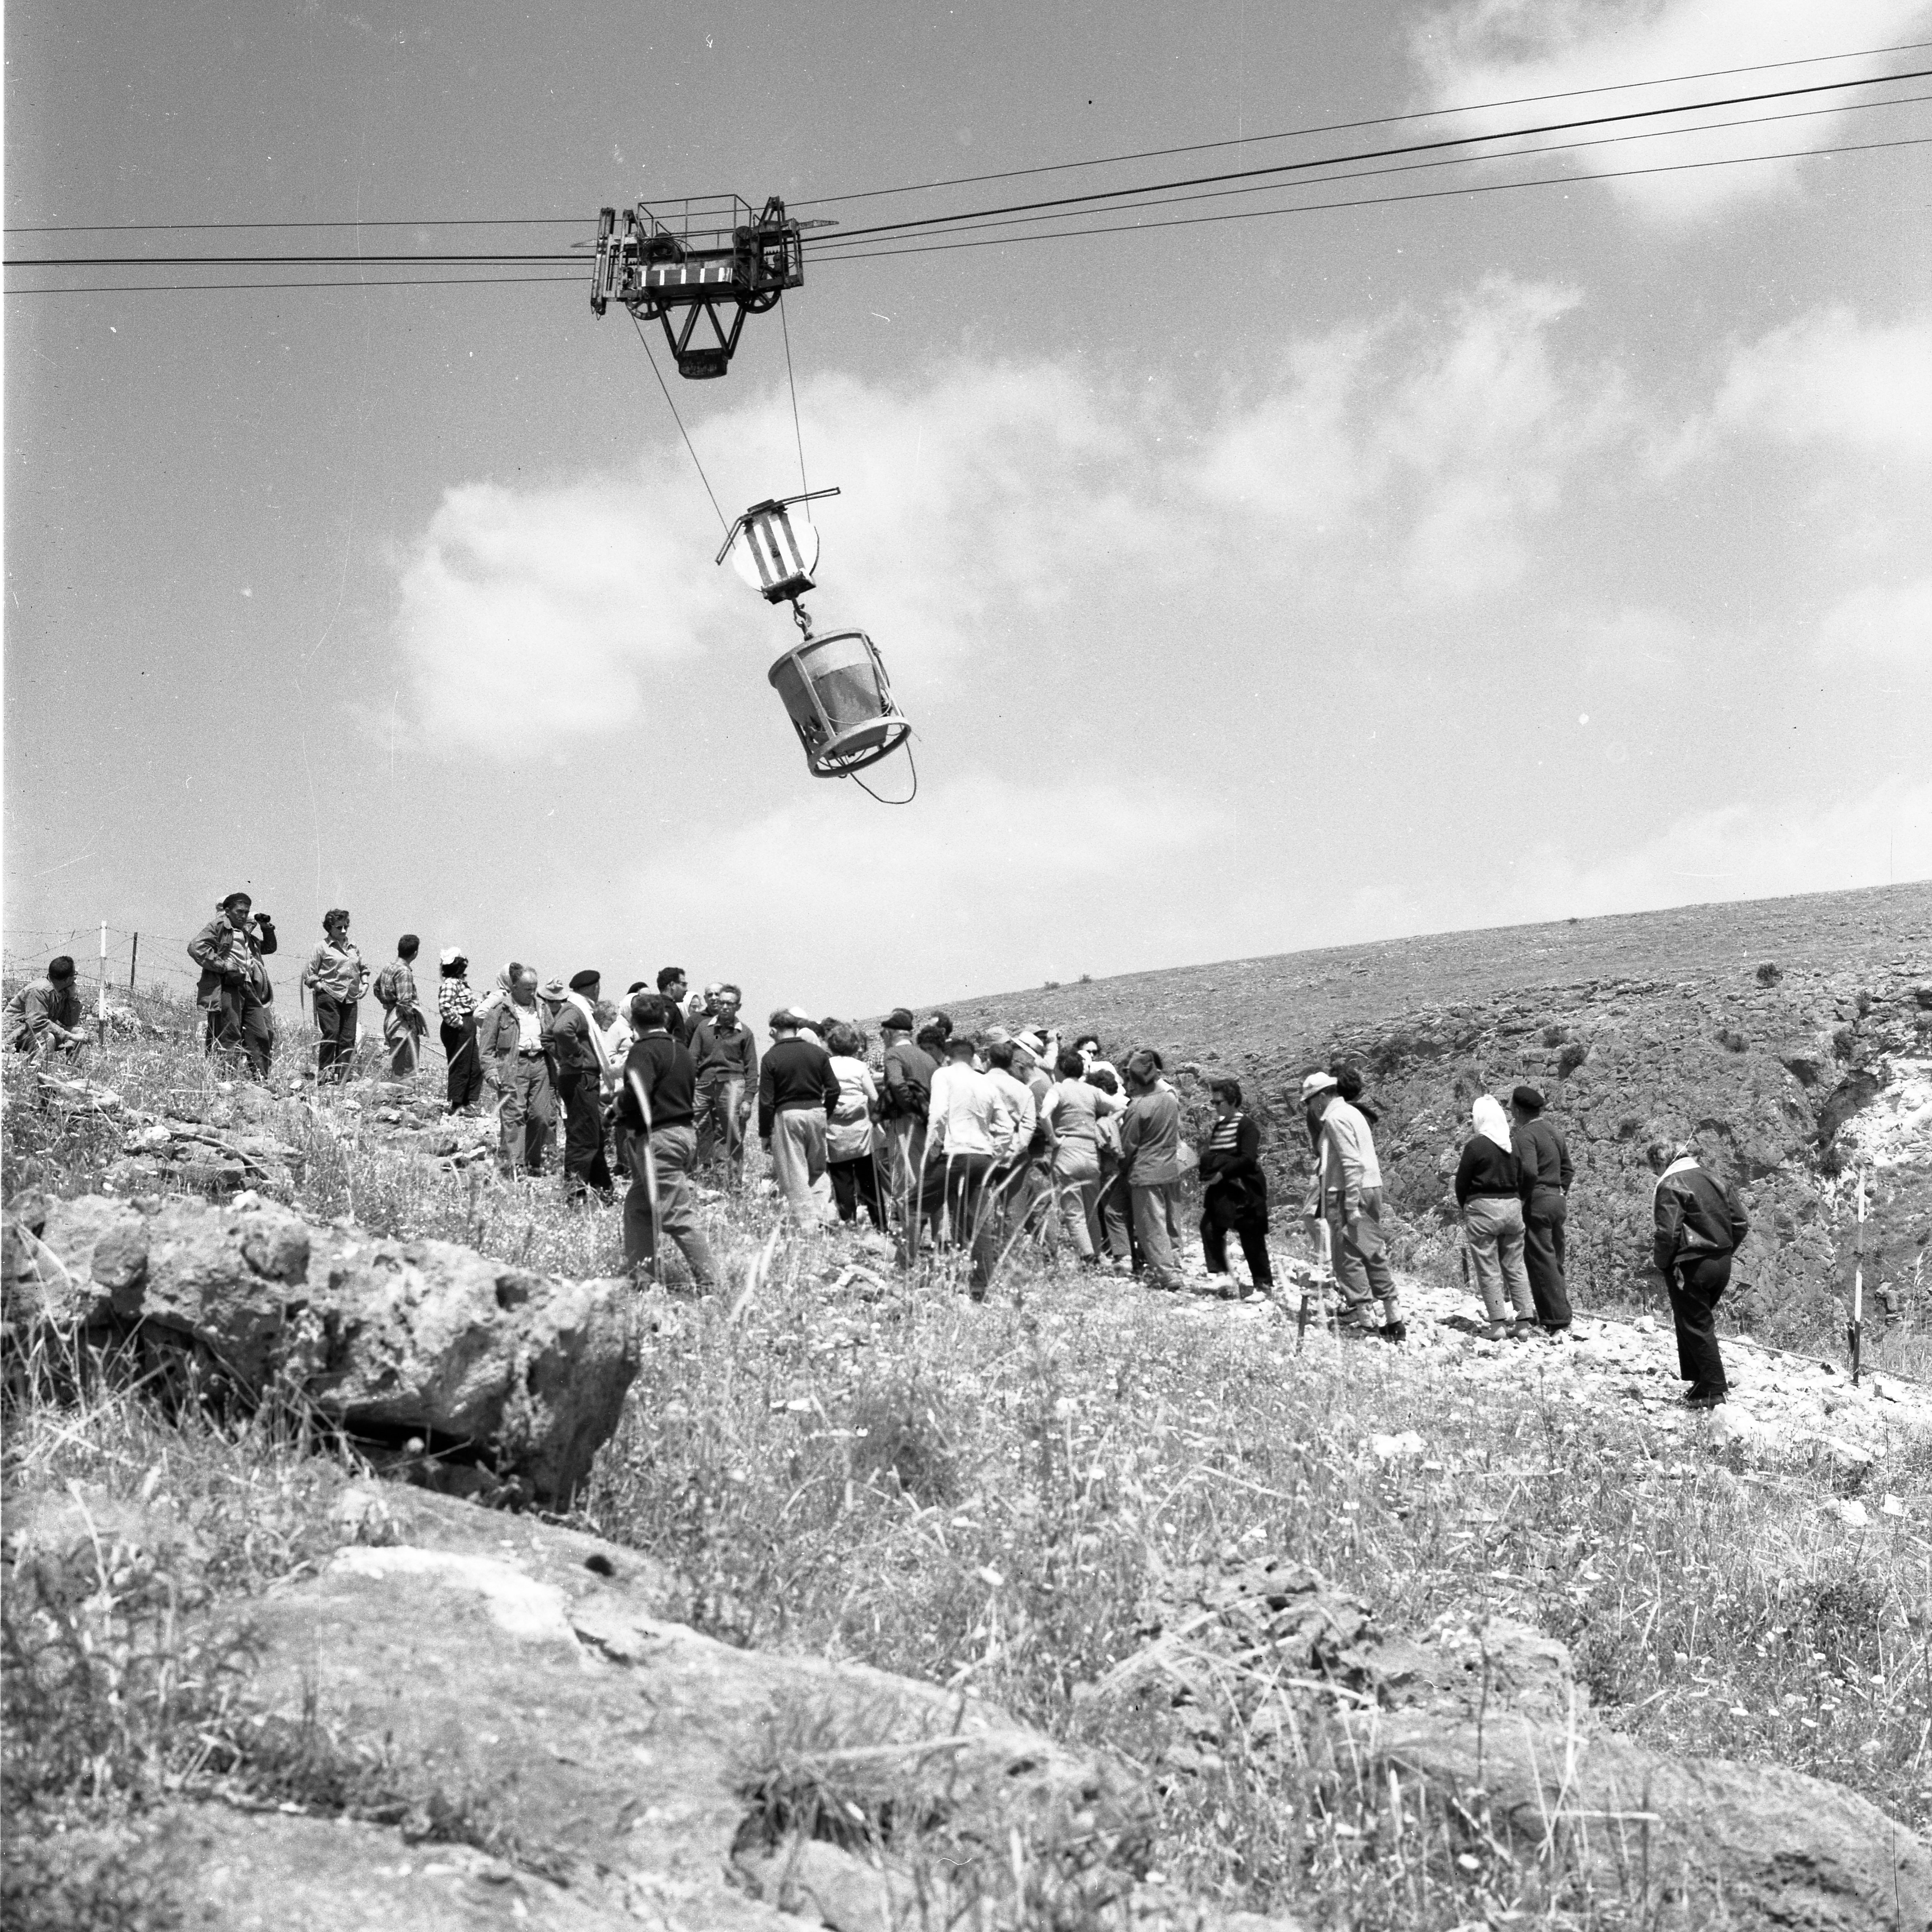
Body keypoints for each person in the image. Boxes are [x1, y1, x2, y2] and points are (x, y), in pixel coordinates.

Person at [615, 994, 720, 1292]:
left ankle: (711, 1283)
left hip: (657, 1139)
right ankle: (643, 1280)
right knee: (638, 1208)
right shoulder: (681, 1050)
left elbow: (638, 1093)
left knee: (675, 1213)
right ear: (664, 1018)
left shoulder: (644, 1050)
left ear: (633, 1022)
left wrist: (616, 1105)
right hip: (682, 1133)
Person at [1302, 1071, 1404, 1339]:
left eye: (1310, 1100)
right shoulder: (1355, 1113)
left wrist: (1350, 1205)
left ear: (1323, 1095)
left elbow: (1350, 1161)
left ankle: (1366, 1320)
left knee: (1348, 1258)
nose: (1310, 1107)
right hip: (1373, 1186)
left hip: (1347, 1189)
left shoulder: (1334, 1118)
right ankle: (1394, 1318)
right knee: (1372, 1251)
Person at [1649, 1139, 1749, 1408]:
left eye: (1654, 1168)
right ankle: (1699, 1382)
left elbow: (1668, 1233)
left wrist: (1662, 1262)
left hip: (1691, 1262)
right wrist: (1723, 1249)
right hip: (1721, 1262)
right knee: (1693, 1319)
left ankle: (1713, 1388)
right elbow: (1740, 1222)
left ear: (1660, 1162)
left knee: (1695, 1322)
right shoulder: (1713, 1178)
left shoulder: (1670, 1184)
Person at [914, 1035, 1013, 1297]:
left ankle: (903, 1271)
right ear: (972, 1058)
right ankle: (979, 1287)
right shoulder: (986, 1082)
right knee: (975, 1222)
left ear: (947, 1056)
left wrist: (929, 1148)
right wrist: (997, 1153)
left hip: (954, 1153)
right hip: (983, 1157)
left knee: (913, 1206)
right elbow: (1006, 1127)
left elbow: (938, 1113)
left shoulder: (943, 1075)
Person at [1454, 1095, 1536, 1341]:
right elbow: (1528, 1174)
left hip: (1483, 1210)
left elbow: (1462, 1182)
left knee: (1489, 1269)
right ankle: (1523, 1324)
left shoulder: (1476, 1146)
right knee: (1516, 1266)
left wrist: (1466, 1206)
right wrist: (1518, 1199)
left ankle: (1498, 1322)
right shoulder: (1511, 1145)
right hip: (1512, 1209)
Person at [1039, 1048, 1122, 1261]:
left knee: (1074, 1210)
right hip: (1090, 1153)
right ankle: (1098, 1252)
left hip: (1067, 1153)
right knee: (1092, 1208)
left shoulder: (1058, 1090)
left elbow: (1045, 1115)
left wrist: (1053, 1139)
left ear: (1060, 1069)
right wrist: (1106, 1124)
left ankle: (1088, 1257)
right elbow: (1122, 1105)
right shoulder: (1091, 1092)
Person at [758, 1007, 839, 1217]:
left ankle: (806, 1223)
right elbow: (834, 1089)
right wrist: (825, 1112)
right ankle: (825, 1214)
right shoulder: (818, 1052)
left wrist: (765, 1133)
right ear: (796, 1028)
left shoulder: (771, 1057)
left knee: (795, 1171)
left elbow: (767, 1101)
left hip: (788, 1115)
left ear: (773, 1031)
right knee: (818, 1169)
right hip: (816, 1112)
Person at [476, 963, 555, 1177]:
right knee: (513, 1116)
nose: (532, 993)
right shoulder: (500, 1011)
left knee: (541, 1116)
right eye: (528, 989)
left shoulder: (543, 1008)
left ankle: (534, 1163)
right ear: (514, 987)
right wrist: (491, 1071)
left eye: (535, 988)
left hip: (540, 1065)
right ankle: (514, 1166)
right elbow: (486, 1046)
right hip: (513, 1066)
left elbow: (553, 1036)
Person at [188, 893, 278, 1078]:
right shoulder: (220, 927)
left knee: (260, 1033)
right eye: (239, 912)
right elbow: (196, 947)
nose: (244, 916)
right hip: (227, 986)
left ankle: (262, 1079)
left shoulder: (245, 935)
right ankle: (226, 1079)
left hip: (249, 987)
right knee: (230, 1033)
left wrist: (266, 928)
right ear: (228, 912)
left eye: (246, 912)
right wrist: (223, 965)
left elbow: (269, 948)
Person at [1119, 1050, 1187, 1292]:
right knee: (1171, 1222)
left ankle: (1167, 1274)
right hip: (1171, 1169)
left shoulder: (1138, 1107)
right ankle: (1176, 1263)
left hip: (1146, 1172)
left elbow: (1128, 1146)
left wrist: (1121, 1169)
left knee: (1152, 1226)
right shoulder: (1170, 1100)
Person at [1199, 1077, 1273, 1298]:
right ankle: (1221, 1273)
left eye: (1218, 1102)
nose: (1215, 1107)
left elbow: (1248, 1158)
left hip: (1244, 1189)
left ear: (1232, 1101)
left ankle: (1263, 1285)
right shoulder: (1220, 1126)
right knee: (1210, 1227)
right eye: (1213, 1103)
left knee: (1251, 1235)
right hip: (1222, 1189)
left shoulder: (1247, 1126)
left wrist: (1222, 1172)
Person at [1510, 1084, 1574, 1335]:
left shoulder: (1525, 1135)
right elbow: (1568, 1169)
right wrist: (1560, 1191)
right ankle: (1562, 1313)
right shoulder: (1554, 1132)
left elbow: (1529, 1171)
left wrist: (1524, 1198)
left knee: (1540, 1260)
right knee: (1555, 1258)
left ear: (1517, 1110)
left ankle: (1554, 1319)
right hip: (1558, 1200)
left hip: (1537, 1201)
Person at [549, 969, 616, 1203]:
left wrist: (565, 1056)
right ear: (594, 988)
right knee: (584, 1140)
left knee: (593, 1136)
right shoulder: (576, 1010)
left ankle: (605, 1194)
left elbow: (549, 1036)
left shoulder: (577, 1008)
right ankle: (575, 1196)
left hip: (581, 1078)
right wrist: (576, 1057)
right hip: (581, 1079)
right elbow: (559, 1031)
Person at [691, 983, 758, 1180]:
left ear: (738, 1006)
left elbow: (752, 1068)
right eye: (722, 1003)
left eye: (730, 1003)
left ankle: (731, 1181)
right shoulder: (704, 1028)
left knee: (731, 1132)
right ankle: (690, 1174)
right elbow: (692, 1058)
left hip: (732, 1083)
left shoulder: (745, 1033)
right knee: (690, 1125)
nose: (725, 1007)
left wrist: (748, 1099)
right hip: (704, 1084)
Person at [825, 1023, 886, 1228]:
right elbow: (874, 1097)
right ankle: (880, 1224)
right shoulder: (859, 1067)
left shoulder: (826, 1065)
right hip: (860, 1129)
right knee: (869, 1177)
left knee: (841, 1177)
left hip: (835, 1128)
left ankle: (848, 1221)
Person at [878, 1008, 936, 1213]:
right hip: (928, 1121)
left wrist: (908, 1107)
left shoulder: (893, 1054)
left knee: (903, 1174)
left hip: (905, 1121)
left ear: (892, 1033)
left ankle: (908, 1224)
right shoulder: (927, 1057)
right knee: (925, 1171)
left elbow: (896, 1082)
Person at [301, 909, 368, 1084]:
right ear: (330, 927)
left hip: (351, 997)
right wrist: (319, 986)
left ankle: (342, 1077)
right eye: (340, 927)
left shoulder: (353, 946)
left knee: (348, 1038)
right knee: (332, 1033)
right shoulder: (322, 947)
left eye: (346, 926)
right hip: (329, 995)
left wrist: (365, 983)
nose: (344, 931)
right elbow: (310, 974)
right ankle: (324, 1075)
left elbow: (363, 967)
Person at [1090, 1065, 1134, 1266]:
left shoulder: (1106, 1115)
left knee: (1112, 1210)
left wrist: (1106, 1123)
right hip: (1117, 1166)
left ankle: (1122, 1254)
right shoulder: (1117, 1109)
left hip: (1111, 1168)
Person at [5, 956, 88, 1058]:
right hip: (14, 1032)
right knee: (48, 1038)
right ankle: (41, 1070)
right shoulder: (40, 991)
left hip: (32, 1031)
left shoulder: (61, 990)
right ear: (66, 980)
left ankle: (72, 1069)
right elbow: (37, 1023)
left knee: (79, 1032)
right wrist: (69, 1036)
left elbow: (70, 1022)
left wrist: (73, 997)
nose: (75, 978)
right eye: (74, 975)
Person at [372, 935, 427, 1080]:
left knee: (398, 1062)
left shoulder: (389, 967)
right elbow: (404, 1003)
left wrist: (388, 1004)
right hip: (402, 1022)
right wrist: (411, 1020)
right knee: (407, 1066)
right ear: (415, 953)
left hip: (391, 1018)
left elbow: (376, 988)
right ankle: (403, 1097)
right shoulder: (404, 972)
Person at [437, 950, 485, 1114]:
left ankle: (467, 1101)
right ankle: (457, 1103)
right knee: (461, 1065)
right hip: (459, 1029)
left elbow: (467, 1004)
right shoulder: (450, 984)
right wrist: (460, 1024)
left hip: (466, 1027)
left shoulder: (459, 983)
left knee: (474, 1065)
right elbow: (445, 1006)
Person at [657, 967, 691, 1045]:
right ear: (672, 985)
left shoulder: (657, 1005)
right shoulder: (669, 1008)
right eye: (683, 985)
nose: (686, 989)